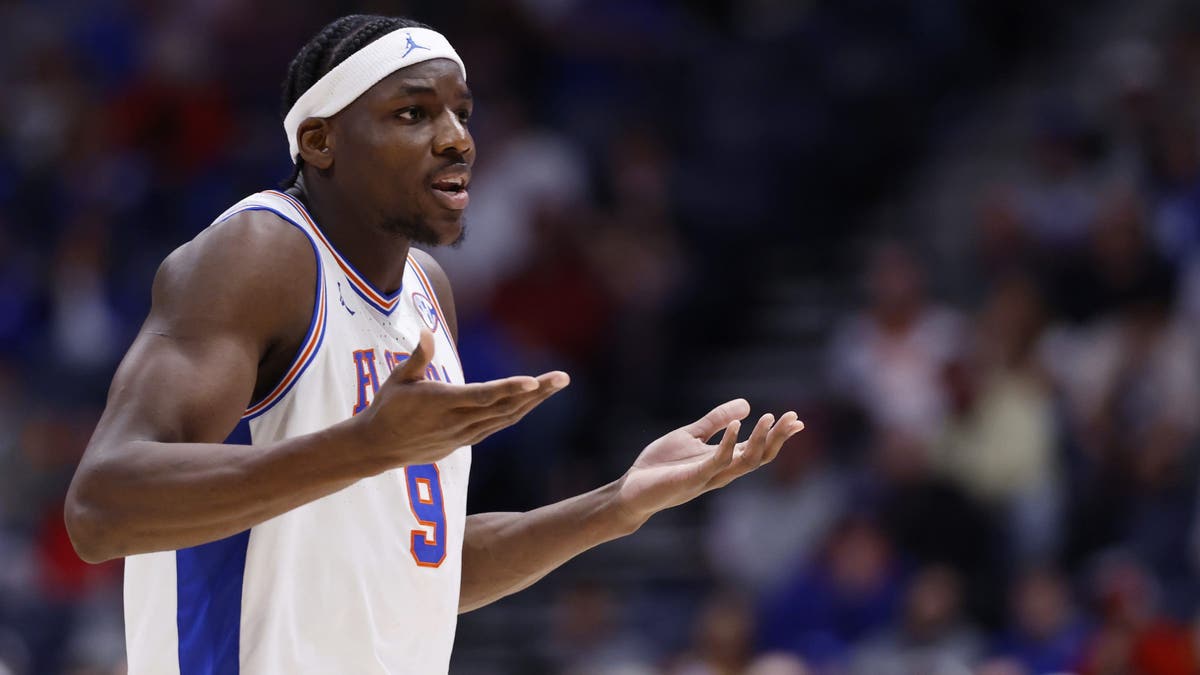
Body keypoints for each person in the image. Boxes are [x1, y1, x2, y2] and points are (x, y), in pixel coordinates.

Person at [61, 14, 804, 674]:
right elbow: (101, 509)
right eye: (413, 112)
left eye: (461, 111)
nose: (457, 137)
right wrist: (362, 446)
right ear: (319, 140)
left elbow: (426, 569)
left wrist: (617, 503)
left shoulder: (428, 293)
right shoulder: (257, 255)